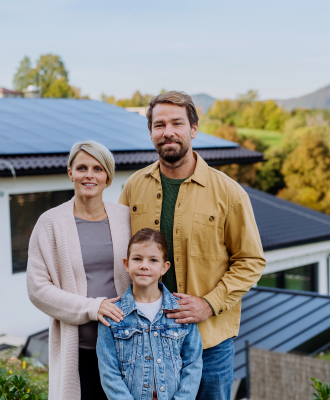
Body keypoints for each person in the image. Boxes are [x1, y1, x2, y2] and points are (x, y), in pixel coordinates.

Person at [118, 91, 266, 400]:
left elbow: (251, 261)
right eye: (159, 125)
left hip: (209, 345)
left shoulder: (229, 193)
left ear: (193, 129)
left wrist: (209, 304)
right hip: (147, 342)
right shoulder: (133, 187)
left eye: (177, 123)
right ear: (151, 133)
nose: (167, 132)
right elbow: (120, 254)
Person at [27, 140, 132, 400]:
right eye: (82, 167)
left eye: (98, 169)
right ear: (70, 172)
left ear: (107, 176)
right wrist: (92, 307)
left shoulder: (127, 218)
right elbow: (37, 289)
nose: (89, 175)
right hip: (80, 350)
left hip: (128, 348)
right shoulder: (50, 223)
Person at [97, 228, 203, 400]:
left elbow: (193, 363)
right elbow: (108, 371)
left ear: (164, 267)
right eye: (137, 259)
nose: (144, 265)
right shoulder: (113, 314)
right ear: (126, 264)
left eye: (153, 260)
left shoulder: (181, 311)